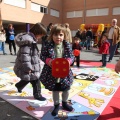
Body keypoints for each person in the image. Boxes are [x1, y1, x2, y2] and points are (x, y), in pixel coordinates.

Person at [40, 24, 74, 116]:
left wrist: (69, 61)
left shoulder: (67, 45)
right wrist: (48, 61)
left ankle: (65, 103)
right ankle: (56, 105)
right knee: (55, 89)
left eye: (60, 35)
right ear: (51, 35)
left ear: (64, 36)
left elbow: (72, 56)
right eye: (55, 35)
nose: (58, 37)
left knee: (66, 89)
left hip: (65, 72)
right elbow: (42, 55)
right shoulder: (47, 44)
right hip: (52, 72)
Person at [14, 23, 47, 101]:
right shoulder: (28, 41)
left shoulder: (31, 39)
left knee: (29, 78)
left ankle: (19, 85)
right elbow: (25, 55)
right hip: (29, 65)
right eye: (41, 35)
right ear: (37, 33)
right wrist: (28, 67)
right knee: (35, 79)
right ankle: (37, 95)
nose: (41, 37)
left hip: (32, 63)